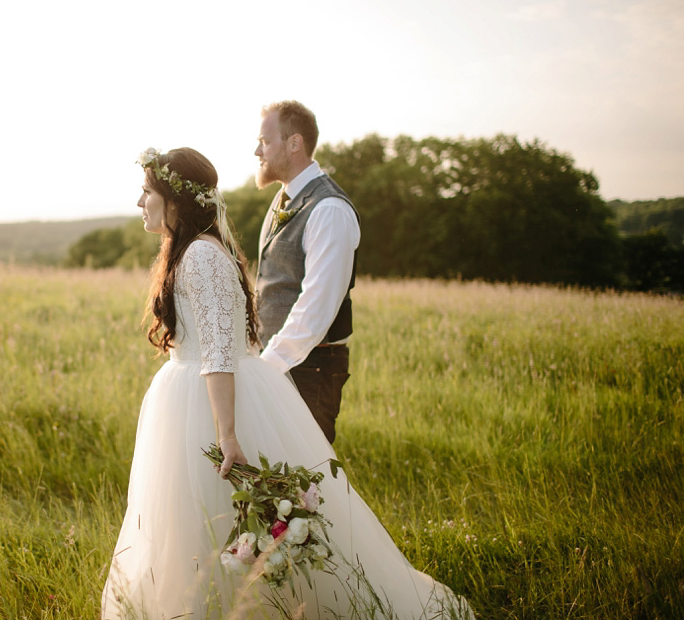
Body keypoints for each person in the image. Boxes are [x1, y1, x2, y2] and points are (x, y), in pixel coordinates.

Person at [101, 147, 472, 620]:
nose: (140, 202)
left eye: (147, 192)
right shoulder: (189, 251)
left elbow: (218, 350)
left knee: (212, 517)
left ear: (175, 199)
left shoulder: (199, 256)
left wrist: (228, 434)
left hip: (211, 399)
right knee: (185, 523)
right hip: (192, 395)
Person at [254, 101, 360, 444]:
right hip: (281, 367)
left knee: (303, 489)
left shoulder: (328, 209)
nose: (257, 150)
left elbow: (315, 309)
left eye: (265, 141)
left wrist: (263, 370)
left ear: (294, 143)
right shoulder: (283, 199)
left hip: (308, 371)